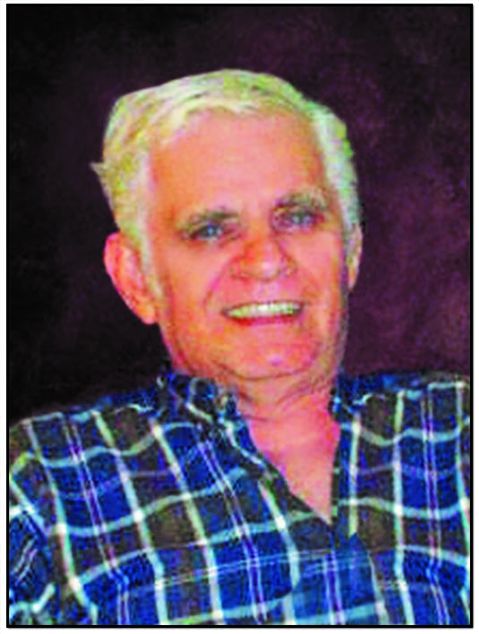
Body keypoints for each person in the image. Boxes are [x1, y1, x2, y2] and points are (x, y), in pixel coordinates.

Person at [9, 70, 469, 625]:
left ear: (349, 252)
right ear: (137, 278)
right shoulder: (44, 478)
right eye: (211, 229)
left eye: (297, 218)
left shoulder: (456, 428)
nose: (266, 260)